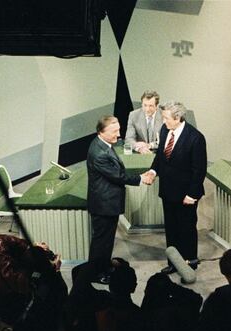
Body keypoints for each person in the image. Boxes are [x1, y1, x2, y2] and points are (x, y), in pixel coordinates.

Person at [141, 101, 207, 273]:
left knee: (186, 228)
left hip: (186, 194)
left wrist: (192, 195)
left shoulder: (195, 138)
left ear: (178, 118)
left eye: (166, 118)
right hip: (168, 191)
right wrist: (153, 171)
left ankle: (189, 262)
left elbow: (199, 170)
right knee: (171, 228)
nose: (163, 122)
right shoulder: (165, 130)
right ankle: (173, 263)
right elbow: (161, 157)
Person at [87, 116, 153, 284]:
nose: (118, 134)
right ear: (101, 132)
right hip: (104, 204)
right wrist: (140, 178)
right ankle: (97, 273)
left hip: (107, 203)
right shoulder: (99, 153)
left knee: (107, 240)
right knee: (101, 241)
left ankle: (104, 266)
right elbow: (117, 176)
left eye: (118, 129)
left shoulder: (103, 144)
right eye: (114, 131)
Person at [125, 90, 163, 154]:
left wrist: (150, 145)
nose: (147, 109)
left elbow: (166, 140)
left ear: (156, 106)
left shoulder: (164, 115)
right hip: (141, 154)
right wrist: (139, 148)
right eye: (145, 105)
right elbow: (129, 139)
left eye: (151, 106)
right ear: (141, 104)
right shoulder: (133, 115)